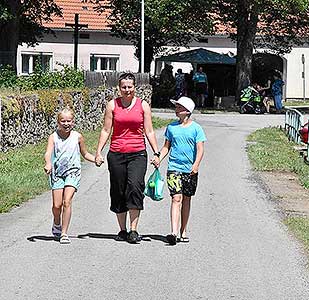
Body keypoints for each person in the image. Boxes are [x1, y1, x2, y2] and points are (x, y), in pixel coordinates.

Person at [95, 72, 160, 244]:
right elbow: (106, 130)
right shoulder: (112, 105)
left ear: (134, 88)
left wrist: (156, 152)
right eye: (123, 87)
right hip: (116, 153)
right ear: (119, 87)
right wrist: (98, 151)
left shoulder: (143, 105)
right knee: (118, 190)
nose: (126, 90)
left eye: (129, 87)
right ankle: (122, 230)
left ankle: (134, 229)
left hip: (137, 153)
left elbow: (150, 131)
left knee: (135, 187)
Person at [157, 96, 206, 245]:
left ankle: (183, 231)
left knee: (186, 199)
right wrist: (159, 157)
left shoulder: (196, 128)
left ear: (187, 111)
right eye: (176, 107)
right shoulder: (171, 127)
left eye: (178, 107)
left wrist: (196, 165)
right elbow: (167, 146)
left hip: (190, 169)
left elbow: (200, 149)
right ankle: (173, 232)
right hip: (174, 168)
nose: (176, 109)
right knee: (176, 198)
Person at [44, 107, 96, 244]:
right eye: (63, 121)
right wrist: (48, 163)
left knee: (67, 201)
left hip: (73, 172)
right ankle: (57, 222)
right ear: (58, 122)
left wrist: (95, 159)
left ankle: (64, 233)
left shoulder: (77, 137)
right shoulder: (53, 137)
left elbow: (85, 154)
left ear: (73, 122)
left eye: (69, 121)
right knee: (57, 205)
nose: (66, 124)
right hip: (57, 173)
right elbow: (48, 153)